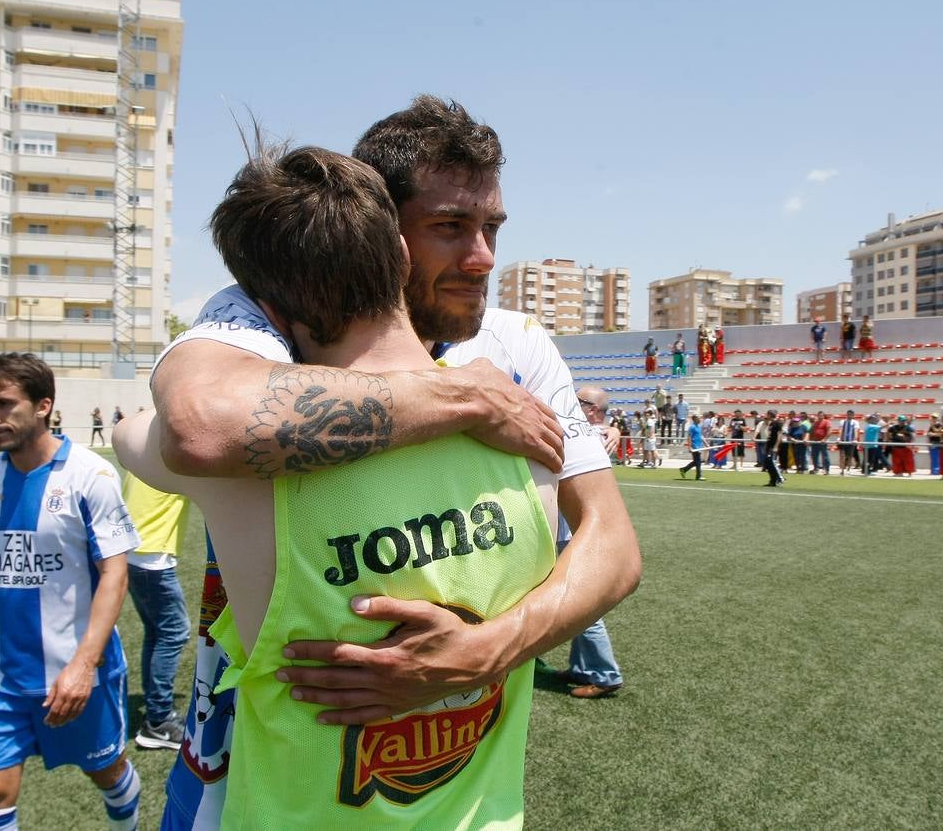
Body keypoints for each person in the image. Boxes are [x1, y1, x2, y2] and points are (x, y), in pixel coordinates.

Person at [147, 98, 639, 829]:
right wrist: (455, 401)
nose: (482, 258)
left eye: (492, 228)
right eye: (450, 227)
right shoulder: (264, 307)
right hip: (240, 726)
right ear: (385, 232)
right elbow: (197, 426)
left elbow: (613, 542)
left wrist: (483, 652)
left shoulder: (517, 347)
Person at [0, 354, 142, 831]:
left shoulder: (90, 476)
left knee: (107, 773)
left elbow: (115, 573)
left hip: (78, 671)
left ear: (44, 406)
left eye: (3, 404)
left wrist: (83, 666)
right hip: (4, 676)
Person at [558, 386, 627, 698]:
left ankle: (604, 673)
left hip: (568, 529)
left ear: (594, 411)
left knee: (582, 603)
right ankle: (583, 667)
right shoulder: (596, 431)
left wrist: (613, 428)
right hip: (576, 526)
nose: (571, 402)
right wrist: (614, 428)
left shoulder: (584, 433)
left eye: (579, 400)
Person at [120, 472, 193, 751]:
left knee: (157, 633)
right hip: (151, 555)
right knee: (175, 632)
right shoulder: (168, 454)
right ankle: (159, 720)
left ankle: (157, 714)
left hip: (135, 551)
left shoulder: (146, 451)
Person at [760, 409, 785, 487]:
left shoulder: (777, 423)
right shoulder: (771, 423)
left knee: (772, 462)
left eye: (767, 414)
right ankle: (772, 481)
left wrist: (776, 446)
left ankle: (780, 478)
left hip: (773, 446)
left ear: (770, 415)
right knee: (768, 463)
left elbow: (779, 435)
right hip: (769, 445)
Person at [678, 413, 705, 480]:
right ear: (695, 419)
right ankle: (698, 476)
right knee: (698, 461)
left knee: (696, 462)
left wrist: (706, 443)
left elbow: (701, 436)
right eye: (699, 418)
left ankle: (683, 470)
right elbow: (689, 437)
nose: (700, 419)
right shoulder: (692, 427)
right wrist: (689, 447)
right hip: (694, 446)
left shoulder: (699, 427)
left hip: (699, 446)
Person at [837, 409, 860, 474]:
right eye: (848, 414)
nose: (849, 416)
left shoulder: (855, 422)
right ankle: (842, 470)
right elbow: (841, 430)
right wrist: (839, 438)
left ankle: (848, 469)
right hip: (843, 441)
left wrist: (855, 439)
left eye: (850, 414)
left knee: (849, 456)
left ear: (853, 415)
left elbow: (855, 431)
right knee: (842, 456)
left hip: (850, 441)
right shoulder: (842, 421)